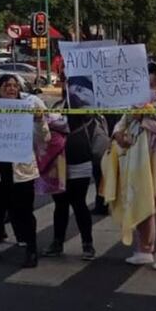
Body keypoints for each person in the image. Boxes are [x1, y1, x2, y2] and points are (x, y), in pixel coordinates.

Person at [0, 74, 49, 268]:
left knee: (24, 213)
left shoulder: (28, 109)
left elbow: (44, 139)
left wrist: (39, 121)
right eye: (7, 85)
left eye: (15, 86)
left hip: (22, 172)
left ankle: (31, 251)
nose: (12, 89)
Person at [43, 73, 106, 261]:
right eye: (69, 84)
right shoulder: (56, 107)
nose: (71, 88)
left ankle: (88, 244)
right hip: (58, 162)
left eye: (78, 87)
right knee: (60, 204)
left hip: (80, 161)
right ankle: (57, 242)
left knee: (79, 204)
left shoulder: (88, 109)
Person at [111, 71, 156, 269]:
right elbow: (122, 122)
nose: (147, 86)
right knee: (141, 201)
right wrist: (118, 134)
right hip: (137, 162)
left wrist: (145, 118)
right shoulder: (136, 104)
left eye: (151, 84)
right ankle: (145, 249)